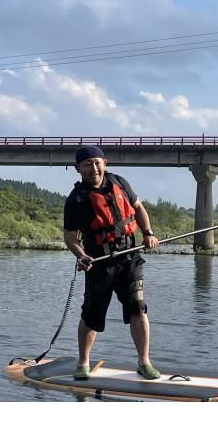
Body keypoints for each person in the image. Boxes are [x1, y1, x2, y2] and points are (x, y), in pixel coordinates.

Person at [62, 145, 161, 380]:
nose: (93, 168)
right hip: (99, 262)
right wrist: (81, 255)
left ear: (105, 163)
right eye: (87, 164)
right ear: (78, 169)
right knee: (92, 315)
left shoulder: (120, 183)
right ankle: (83, 362)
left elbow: (138, 209)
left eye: (97, 162)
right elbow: (69, 237)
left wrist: (148, 233)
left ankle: (144, 362)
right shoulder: (76, 200)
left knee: (138, 307)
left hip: (130, 258)